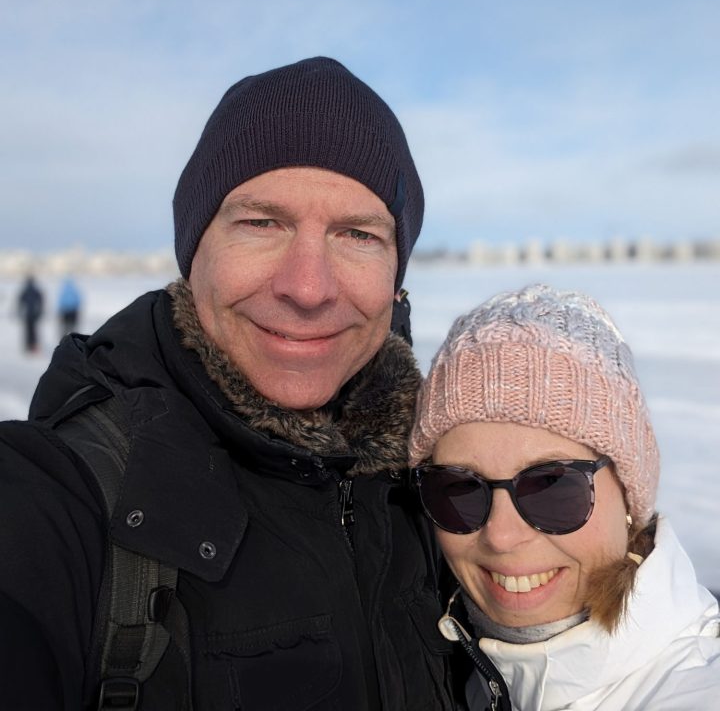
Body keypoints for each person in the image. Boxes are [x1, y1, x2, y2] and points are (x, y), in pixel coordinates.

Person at [0, 57, 453, 711]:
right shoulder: (60, 495)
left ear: (396, 273)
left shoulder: (445, 484)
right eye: (262, 223)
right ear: (195, 251)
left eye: (357, 234)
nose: (308, 287)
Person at [410, 283, 720, 711]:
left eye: (551, 486)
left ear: (630, 497)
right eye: (459, 489)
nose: (501, 535)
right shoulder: (461, 674)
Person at [16, 273, 44, 352]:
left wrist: (20, 312)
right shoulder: (36, 290)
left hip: (27, 314)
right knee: (34, 331)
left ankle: (28, 346)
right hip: (34, 314)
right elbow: (40, 302)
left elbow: (20, 302)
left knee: (28, 331)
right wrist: (40, 312)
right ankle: (34, 346)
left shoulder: (25, 291)